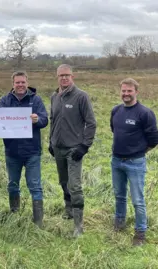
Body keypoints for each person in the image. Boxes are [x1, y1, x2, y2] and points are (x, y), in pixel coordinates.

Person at [110, 78, 158, 246]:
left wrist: (138, 152)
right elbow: (114, 130)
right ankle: (119, 222)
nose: (126, 94)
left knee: (138, 200)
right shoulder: (116, 111)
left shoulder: (145, 113)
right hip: (116, 161)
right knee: (119, 195)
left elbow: (154, 140)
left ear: (136, 92)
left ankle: (140, 233)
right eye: (123, 91)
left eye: (129, 91)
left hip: (135, 163)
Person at [49, 64, 97, 238]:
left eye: (67, 75)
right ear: (57, 77)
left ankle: (78, 225)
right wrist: (50, 141)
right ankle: (68, 210)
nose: (64, 78)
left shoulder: (81, 96)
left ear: (72, 76)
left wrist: (84, 146)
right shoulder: (54, 96)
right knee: (63, 181)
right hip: (58, 147)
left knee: (74, 185)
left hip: (74, 148)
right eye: (61, 75)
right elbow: (53, 120)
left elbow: (91, 123)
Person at [0, 71, 48, 228]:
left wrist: (37, 119)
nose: (20, 85)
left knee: (35, 185)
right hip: (12, 152)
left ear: (27, 83)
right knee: (13, 183)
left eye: (23, 82)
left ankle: (38, 222)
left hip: (32, 151)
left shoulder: (35, 100)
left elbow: (45, 119)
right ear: (13, 84)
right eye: (17, 82)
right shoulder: (5, 100)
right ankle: (14, 213)